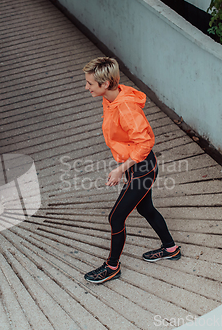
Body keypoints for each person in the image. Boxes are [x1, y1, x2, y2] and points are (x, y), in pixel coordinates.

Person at [82, 57, 181, 284]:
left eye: (90, 83)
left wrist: (120, 170)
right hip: (136, 166)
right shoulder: (112, 97)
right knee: (146, 209)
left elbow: (145, 144)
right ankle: (171, 249)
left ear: (105, 84)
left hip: (142, 168)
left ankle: (112, 267)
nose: (86, 87)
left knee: (116, 217)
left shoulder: (125, 107)